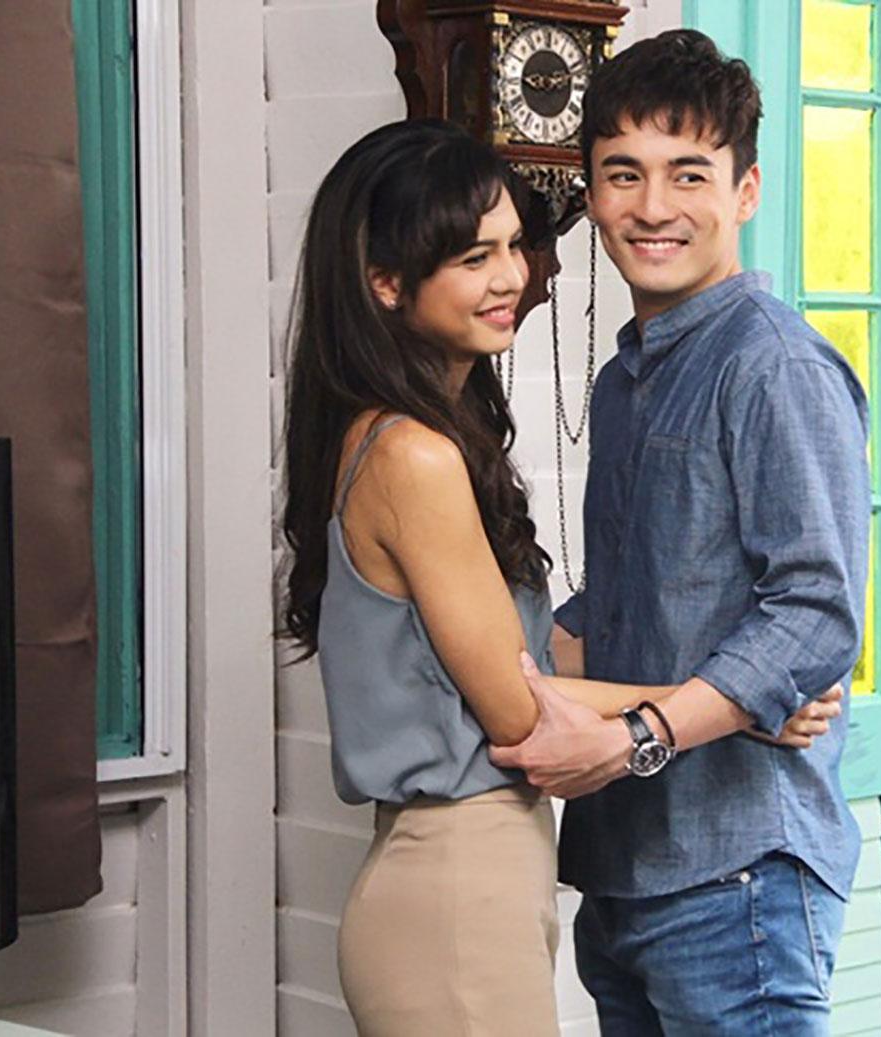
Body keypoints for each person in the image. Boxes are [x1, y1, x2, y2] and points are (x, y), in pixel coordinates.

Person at [278, 118, 838, 1036]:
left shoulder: (416, 437)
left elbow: (534, 653)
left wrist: (735, 690)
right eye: (474, 257)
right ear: (386, 282)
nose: (512, 277)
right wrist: (741, 704)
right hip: (454, 886)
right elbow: (518, 707)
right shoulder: (412, 455)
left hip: (476, 879)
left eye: (514, 246)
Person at [490, 30, 871, 1035]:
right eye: (624, 174)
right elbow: (630, 605)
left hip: (736, 873)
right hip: (621, 874)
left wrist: (639, 735)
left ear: (745, 192)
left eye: (688, 174)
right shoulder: (625, 380)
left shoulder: (772, 365)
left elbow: (815, 615)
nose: (652, 207)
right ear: (590, 194)